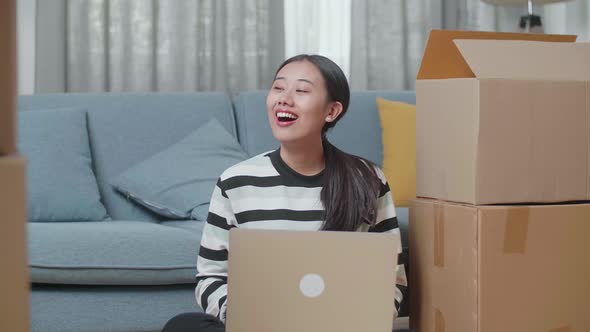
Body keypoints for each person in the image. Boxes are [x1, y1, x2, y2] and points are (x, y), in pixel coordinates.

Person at [162, 54, 405, 332]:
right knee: (183, 326)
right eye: (278, 88)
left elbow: (391, 279)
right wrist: (246, 318)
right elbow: (211, 277)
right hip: (259, 326)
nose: (284, 99)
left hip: (336, 326)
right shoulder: (235, 182)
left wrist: (357, 320)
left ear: (332, 111)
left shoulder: (367, 179)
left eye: (301, 90)